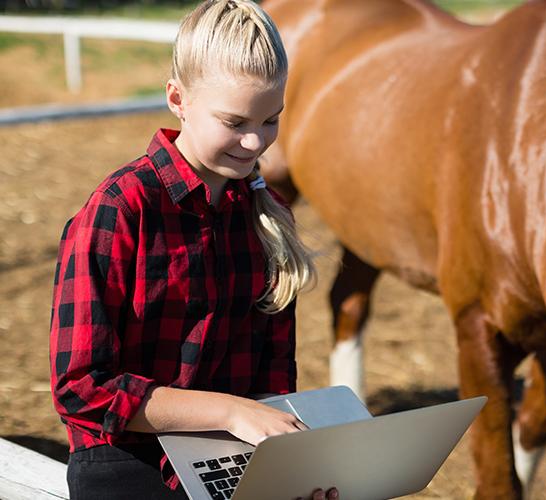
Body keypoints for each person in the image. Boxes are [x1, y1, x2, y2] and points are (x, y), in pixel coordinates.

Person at [49, 1, 340, 499]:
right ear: (177, 98)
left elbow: (272, 380)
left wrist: (292, 471)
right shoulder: (121, 209)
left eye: (271, 120)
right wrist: (230, 410)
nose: (255, 142)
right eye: (234, 121)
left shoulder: (269, 216)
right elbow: (81, 388)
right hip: (126, 460)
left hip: (233, 455)